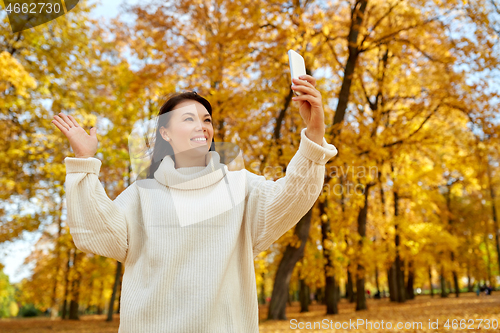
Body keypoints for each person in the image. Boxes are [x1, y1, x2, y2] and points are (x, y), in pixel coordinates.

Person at [52, 75, 338, 332]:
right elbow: (96, 234)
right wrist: (84, 162)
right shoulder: (142, 193)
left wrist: (314, 135)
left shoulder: (240, 186)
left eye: (206, 119)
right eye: (188, 119)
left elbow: (293, 195)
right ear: (165, 133)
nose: (202, 126)